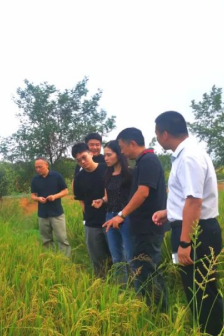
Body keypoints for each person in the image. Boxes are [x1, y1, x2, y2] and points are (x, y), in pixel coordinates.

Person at [152, 111, 224, 336]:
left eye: (156, 134)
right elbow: (187, 197)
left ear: (165, 133)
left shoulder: (189, 156)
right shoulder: (183, 155)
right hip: (187, 227)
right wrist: (169, 213)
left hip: (195, 233)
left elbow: (194, 201)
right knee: (192, 286)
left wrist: (185, 243)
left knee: (202, 288)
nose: (157, 139)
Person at [104, 128, 168, 310]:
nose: (122, 152)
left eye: (122, 147)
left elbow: (143, 192)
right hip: (142, 227)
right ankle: (149, 307)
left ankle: (158, 313)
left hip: (149, 227)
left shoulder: (148, 161)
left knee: (148, 270)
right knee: (143, 269)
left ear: (133, 143)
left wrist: (121, 215)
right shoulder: (143, 162)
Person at [92, 140, 134, 283]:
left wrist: (123, 215)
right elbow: (108, 196)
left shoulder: (130, 174)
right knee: (117, 257)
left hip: (127, 218)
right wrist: (102, 201)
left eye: (109, 155)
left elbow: (136, 198)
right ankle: (122, 289)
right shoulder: (108, 175)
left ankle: (138, 289)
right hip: (110, 216)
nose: (106, 158)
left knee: (131, 255)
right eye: (105, 155)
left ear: (119, 154)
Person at [72, 142, 111, 278]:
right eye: (78, 161)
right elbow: (81, 200)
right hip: (92, 223)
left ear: (90, 153)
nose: (82, 162)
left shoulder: (107, 169)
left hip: (111, 220)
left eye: (84, 157)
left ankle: (122, 288)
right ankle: (102, 286)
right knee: (97, 259)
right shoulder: (79, 178)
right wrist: (87, 216)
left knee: (118, 257)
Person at [31, 157, 71, 257]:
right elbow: (33, 195)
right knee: (46, 239)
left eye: (40, 167)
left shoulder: (57, 176)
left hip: (56, 213)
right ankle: (51, 258)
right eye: (36, 167)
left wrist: (54, 196)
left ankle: (65, 260)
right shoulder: (35, 180)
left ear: (46, 165)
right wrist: (38, 199)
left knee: (62, 238)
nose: (38, 169)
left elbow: (66, 191)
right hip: (42, 214)